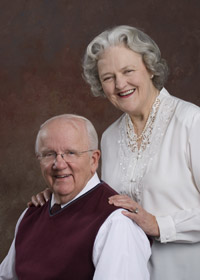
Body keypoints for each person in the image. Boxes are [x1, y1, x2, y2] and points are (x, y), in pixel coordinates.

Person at [30, 25, 200, 280]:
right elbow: (98, 202)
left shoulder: (192, 122)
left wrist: (158, 225)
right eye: (108, 77)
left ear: (151, 68)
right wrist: (59, 192)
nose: (120, 84)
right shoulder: (108, 138)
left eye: (128, 71)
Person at [0, 114, 151, 280]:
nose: (59, 164)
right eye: (49, 154)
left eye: (70, 153)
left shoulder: (116, 223)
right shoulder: (30, 215)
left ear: (93, 160)